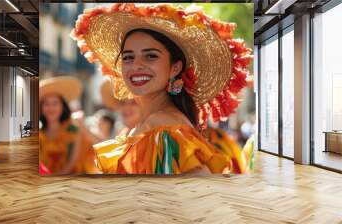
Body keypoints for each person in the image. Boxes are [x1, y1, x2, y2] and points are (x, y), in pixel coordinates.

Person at [71, 3, 253, 174]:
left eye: (150, 56)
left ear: (175, 67)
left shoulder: (165, 128)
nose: (136, 65)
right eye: (128, 57)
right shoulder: (150, 124)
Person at [39, 76, 99, 175]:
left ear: (62, 106)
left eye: (55, 103)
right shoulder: (38, 132)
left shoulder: (73, 127)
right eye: (46, 103)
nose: (50, 108)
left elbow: (73, 161)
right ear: (41, 107)